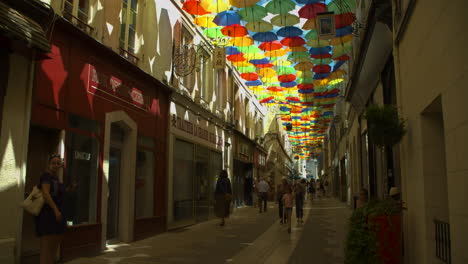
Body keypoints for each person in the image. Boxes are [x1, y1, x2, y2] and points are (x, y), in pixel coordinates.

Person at [36, 155, 67, 264]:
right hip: (48, 213)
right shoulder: (46, 176)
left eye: (58, 163)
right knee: (46, 247)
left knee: (54, 247)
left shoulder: (56, 178)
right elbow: (46, 194)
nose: (55, 165)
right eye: (53, 163)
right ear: (49, 164)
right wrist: (55, 210)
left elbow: (58, 194)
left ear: (61, 165)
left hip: (58, 214)